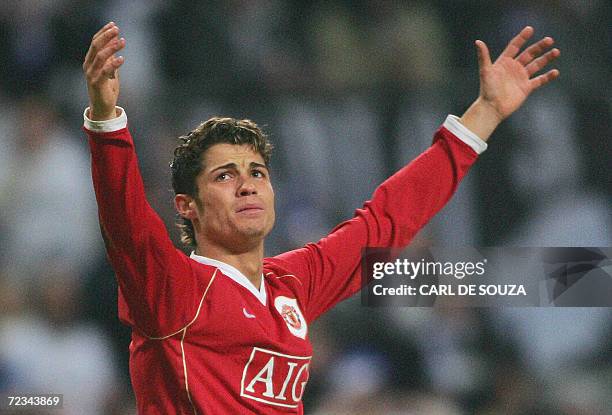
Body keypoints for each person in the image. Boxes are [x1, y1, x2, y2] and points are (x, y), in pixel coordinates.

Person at [82, 21, 559, 414]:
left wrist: (486, 113)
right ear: (187, 206)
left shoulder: (293, 283)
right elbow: (125, 222)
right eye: (225, 176)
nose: (248, 185)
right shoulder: (173, 288)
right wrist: (107, 121)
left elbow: (386, 220)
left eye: (257, 172)